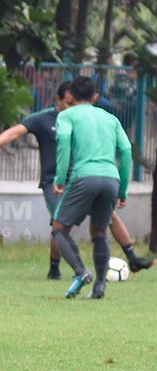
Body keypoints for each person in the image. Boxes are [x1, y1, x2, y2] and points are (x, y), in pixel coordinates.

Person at [0, 81, 154, 278]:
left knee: (110, 216)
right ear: (59, 101)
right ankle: (55, 268)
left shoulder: (84, 118)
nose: (73, 107)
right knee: (58, 223)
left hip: (82, 178)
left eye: (74, 102)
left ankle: (132, 258)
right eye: (69, 103)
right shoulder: (43, 119)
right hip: (54, 183)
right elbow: (15, 131)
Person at [50, 76, 133, 299]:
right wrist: (123, 189)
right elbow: (125, 152)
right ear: (95, 96)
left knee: (59, 228)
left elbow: (64, 142)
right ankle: (99, 287)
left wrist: (59, 179)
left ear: (71, 96)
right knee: (99, 232)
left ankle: (80, 272)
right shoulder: (111, 118)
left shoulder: (66, 115)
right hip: (111, 179)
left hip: (84, 176)